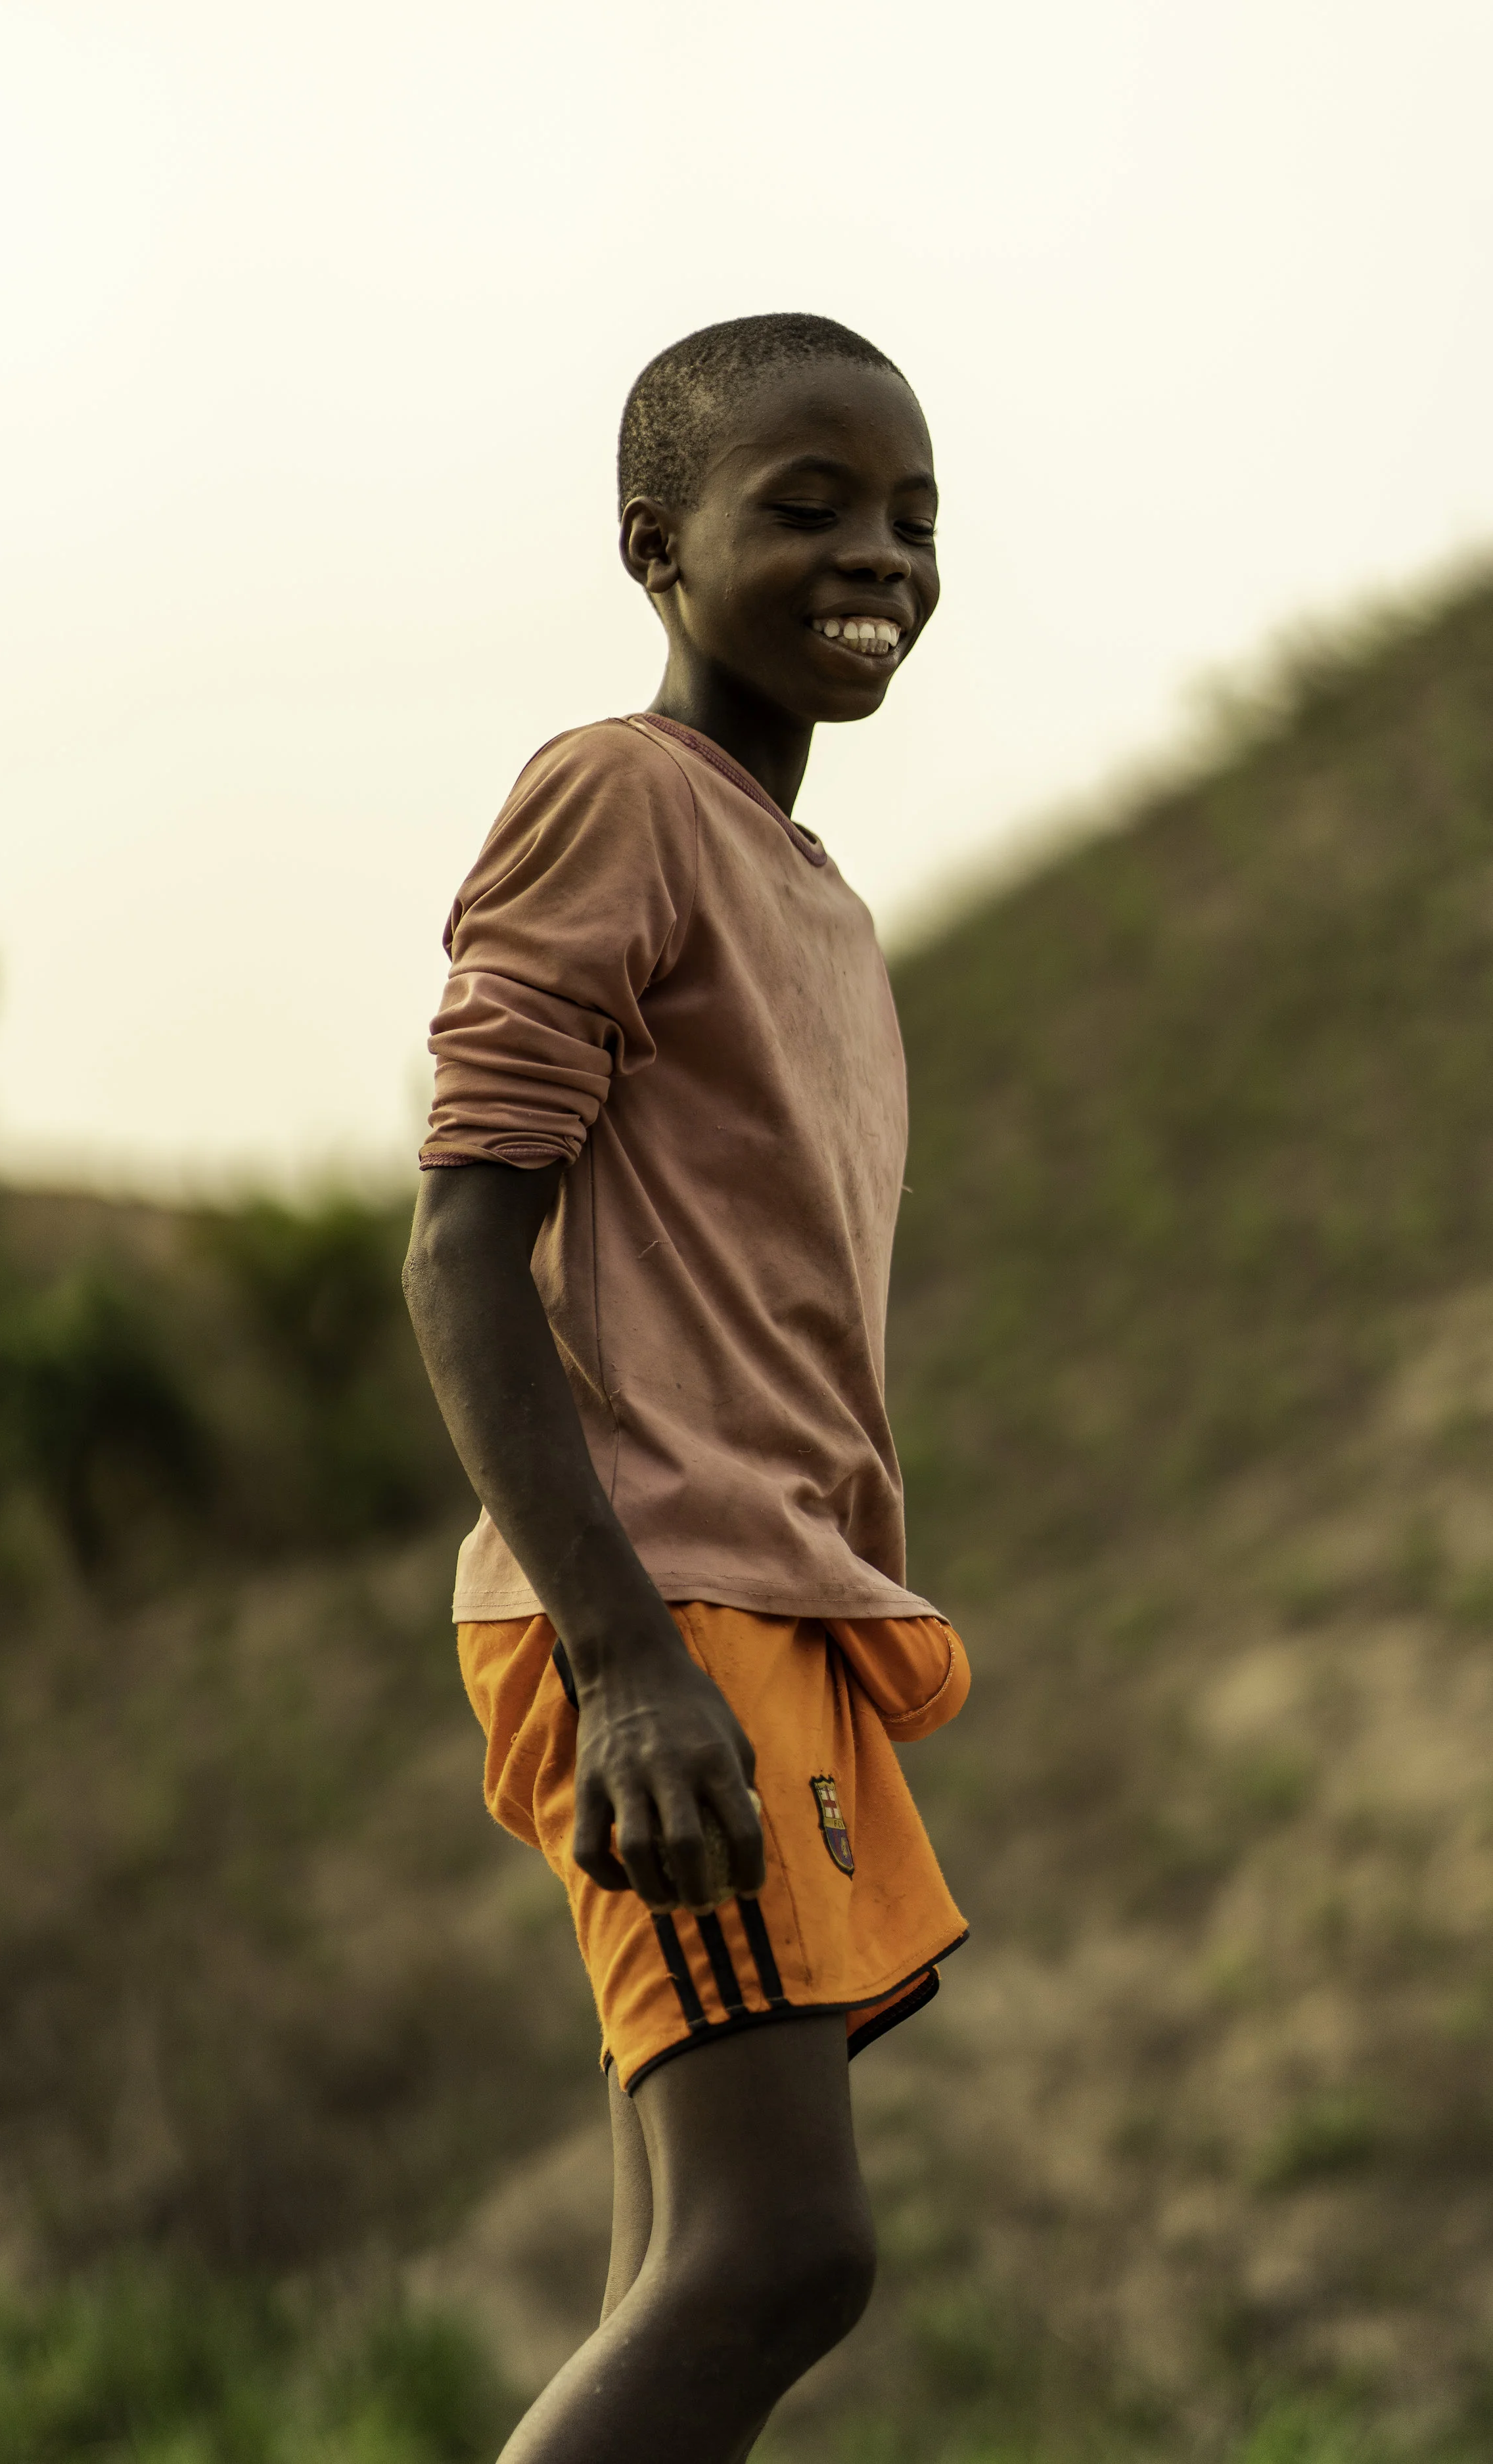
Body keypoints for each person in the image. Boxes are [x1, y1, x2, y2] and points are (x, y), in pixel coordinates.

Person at [402, 311, 971, 2464]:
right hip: (666, 1613)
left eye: (914, 515)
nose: (878, 557)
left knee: (693, 2260)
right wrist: (625, 1655)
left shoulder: (806, 888)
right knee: (774, 2252)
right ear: (656, 546)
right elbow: (459, 1242)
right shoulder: (615, 795)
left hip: (766, 1607)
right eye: (806, 504)